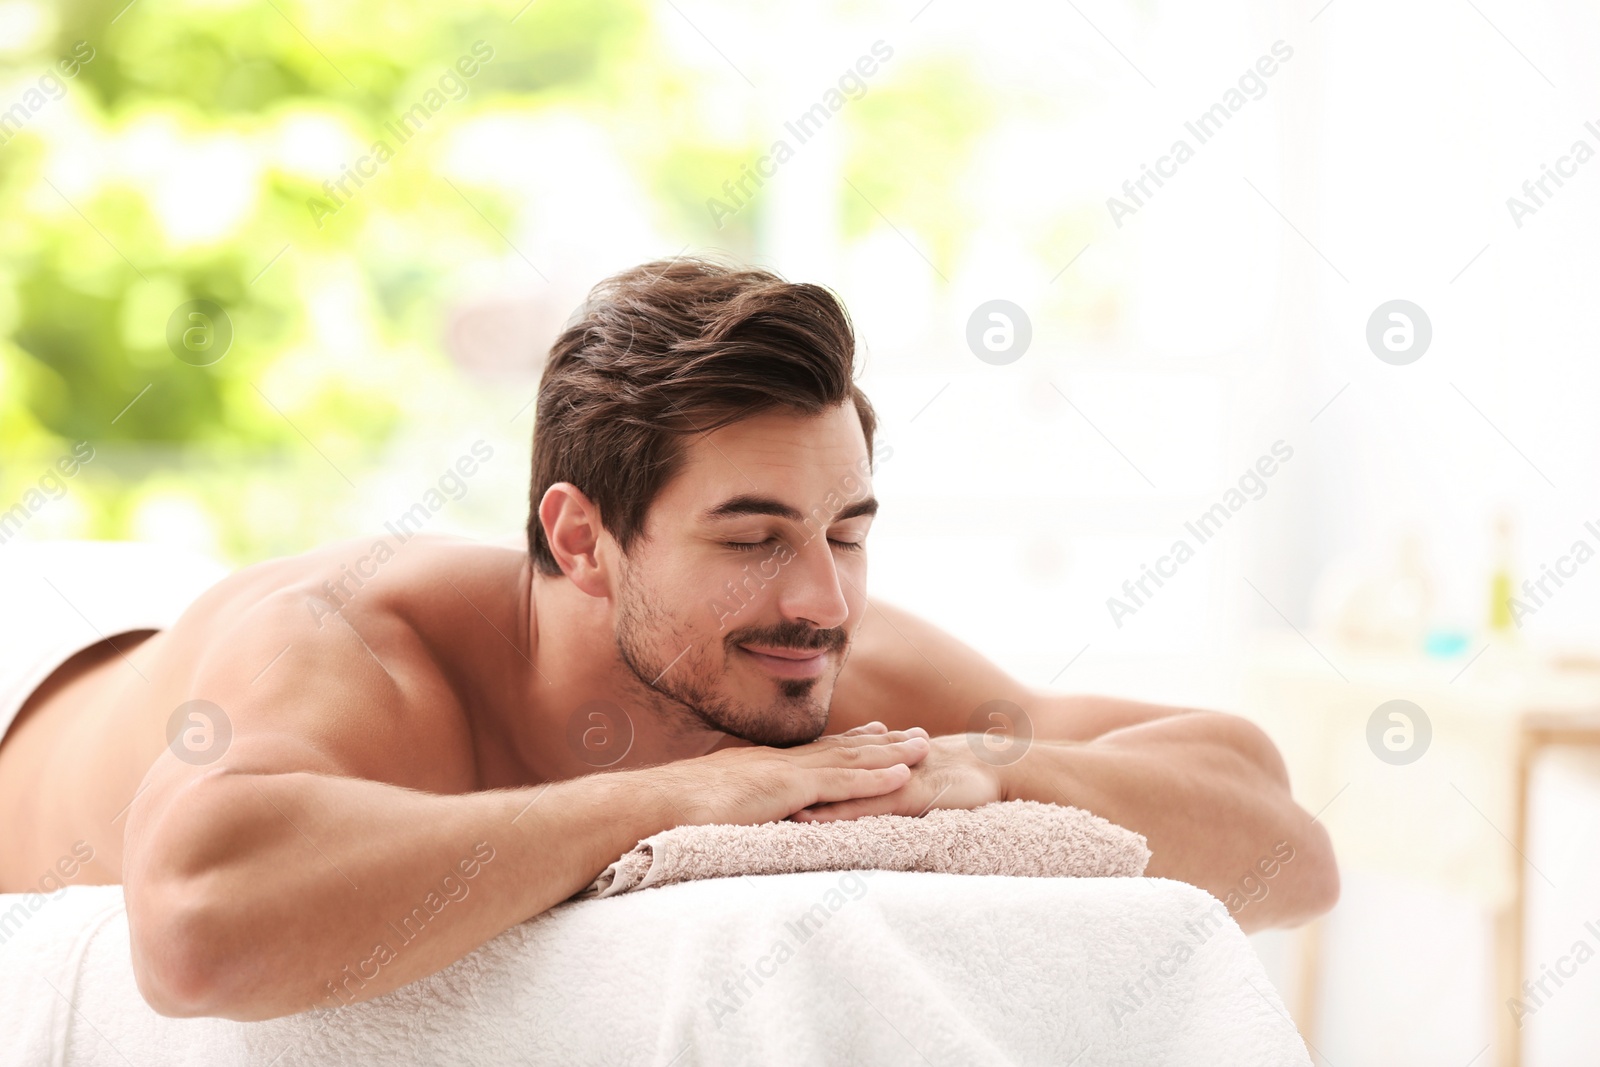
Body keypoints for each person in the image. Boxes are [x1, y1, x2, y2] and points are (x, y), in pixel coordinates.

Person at [0, 256, 1337, 1021]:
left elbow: (1285, 847)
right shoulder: (358, 647)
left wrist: (1003, 774)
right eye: (751, 536)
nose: (821, 596)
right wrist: (677, 797)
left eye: (849, 530)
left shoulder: (806, 657)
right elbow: (194, 933)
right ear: (579, 539)